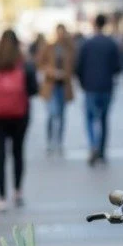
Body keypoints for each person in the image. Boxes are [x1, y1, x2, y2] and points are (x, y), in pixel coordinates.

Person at [0, 30, 38, 211]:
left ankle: (1, 197)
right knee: (18, 153)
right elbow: (33, 89)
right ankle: (18, 191)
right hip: (20, 115)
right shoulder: (24, 64)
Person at [76, 13, 122, 166]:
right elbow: (118, 67)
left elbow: (79, 66)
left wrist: (83, 82)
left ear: (95, 24)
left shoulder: (87, 44)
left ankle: (93, 145)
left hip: (90, 86)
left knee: (90, 118)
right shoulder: (111, 43)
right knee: (103, 118)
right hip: (106, 86)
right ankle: (101, 150)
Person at [39, 24, 75, 154]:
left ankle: (59, 142)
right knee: (52, 114)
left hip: (63, 86)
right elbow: (40, 64)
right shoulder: (49, 47)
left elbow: (73, 65)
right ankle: (50, 141)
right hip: (51, 85)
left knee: (62, 115)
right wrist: (52, 72)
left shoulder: (69, 48)